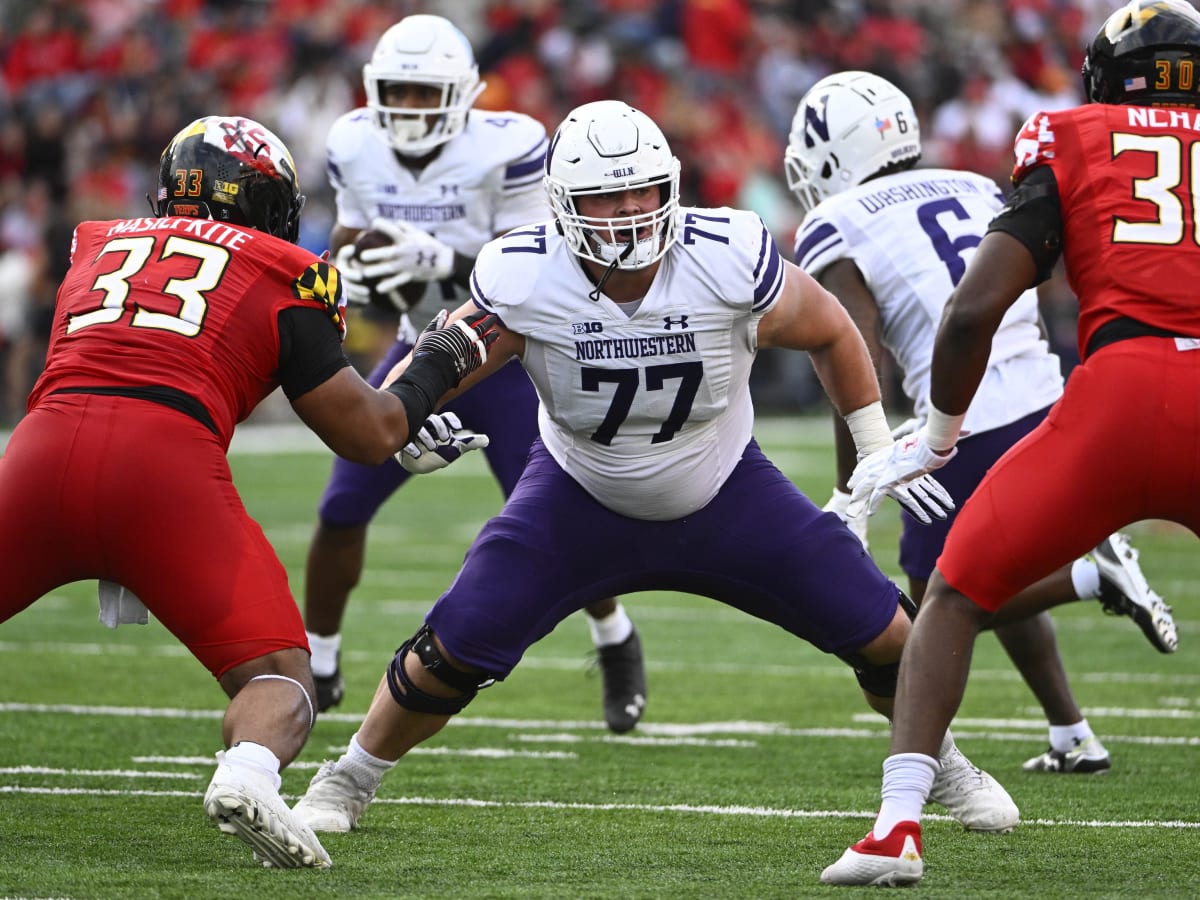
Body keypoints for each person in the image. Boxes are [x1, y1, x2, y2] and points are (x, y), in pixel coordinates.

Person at [290, 99, 1022, 840]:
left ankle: (945, 764)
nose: (631, 210)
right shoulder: (526, 269)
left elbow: (831, 327)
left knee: (889, 635)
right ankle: (349, 776)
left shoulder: (725, 252)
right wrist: (408, 409)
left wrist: (873, 446)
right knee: (450, 646)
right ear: (563, 204)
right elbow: (454, 344)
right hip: (578, 496)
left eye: (643, 189)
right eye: (607, 194)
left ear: (672, 185)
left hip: (727, 489)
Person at [0, 115, 498, 869]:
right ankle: (248, 774)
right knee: (279, 678)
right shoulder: (286, 267)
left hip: (37, 449)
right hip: (164, 468)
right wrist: (441, 356)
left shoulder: (96, 242)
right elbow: (366, 435)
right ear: (268, 203)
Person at [822, 0, 1200, 886]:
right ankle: (1068, 718)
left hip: (1116, 395)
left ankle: (897, 829)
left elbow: (974, 309)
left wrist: (938, 434)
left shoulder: (1071, 136)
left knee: (951, 594)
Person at [785, 70, 1177, 780]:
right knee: (996, 554)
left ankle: (1089, 580)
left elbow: (850, 348)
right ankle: (1073, 733)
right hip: (1050, 394)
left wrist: (854, 487)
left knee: (940, 589)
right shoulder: (970, 182)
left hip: (964, 410)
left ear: (833, 153)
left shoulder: (836, 220)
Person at [306, 14, 647, 732]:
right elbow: (347, 235)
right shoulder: (354, 143)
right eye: (398, 91)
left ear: (462, 95)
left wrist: (443, 262)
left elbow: (541, 259)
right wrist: (357, 265)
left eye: (427, 93)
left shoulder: (512, 144)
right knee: (343, 505)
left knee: (554, 520)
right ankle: (319, 658)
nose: (411, 107)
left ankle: (615, 638)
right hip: (415, 344)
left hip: (504, 352)